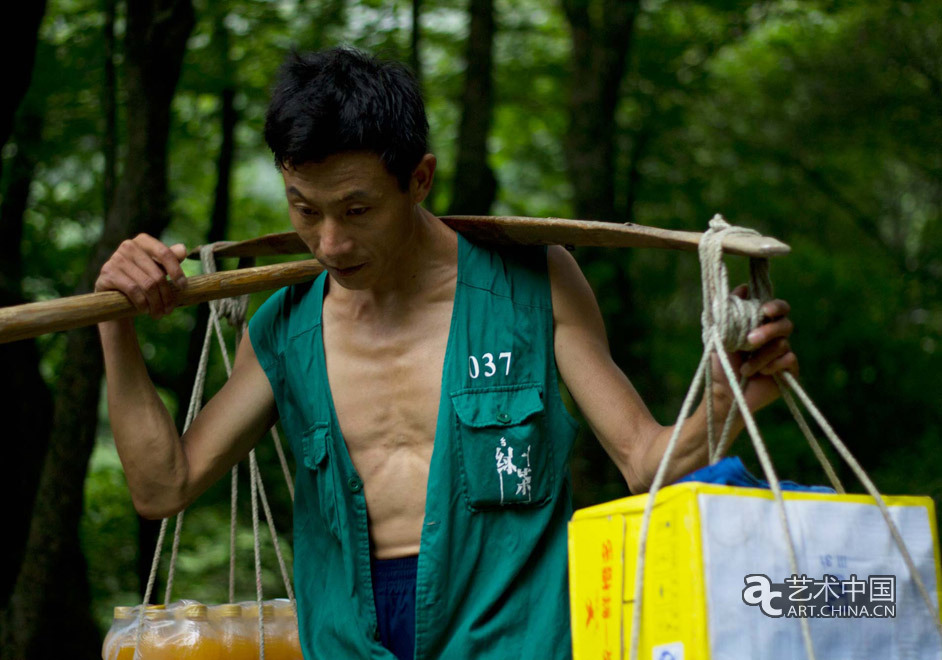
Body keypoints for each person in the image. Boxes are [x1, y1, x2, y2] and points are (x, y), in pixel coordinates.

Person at [95, 47, 798, 660]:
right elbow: (164, 487)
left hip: (511, 637)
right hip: (350, 641)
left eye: (357, 209)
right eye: (304, 209)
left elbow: (644, 463)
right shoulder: (284, 327)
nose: (330, 243)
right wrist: (116, 326)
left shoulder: (533, 285)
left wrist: (721, 394)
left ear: (420, 179)